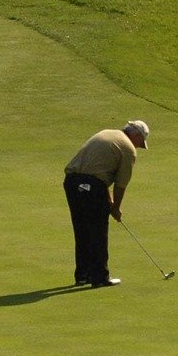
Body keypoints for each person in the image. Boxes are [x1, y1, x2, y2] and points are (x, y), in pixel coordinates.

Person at [63, 119, 149, 288]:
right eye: (141, 142)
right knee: (98, 231)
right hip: (92, 186)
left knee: (82, 230)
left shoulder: (108, 133)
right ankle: (100, 277)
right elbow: (120, 184)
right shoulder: (128, 148)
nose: (139, 146)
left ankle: (83, 275)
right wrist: (116, 208)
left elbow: (99, 172)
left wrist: (108, 202)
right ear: (137, 135)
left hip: (72, 182)